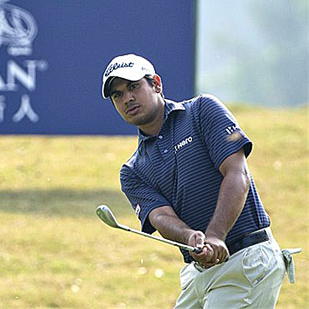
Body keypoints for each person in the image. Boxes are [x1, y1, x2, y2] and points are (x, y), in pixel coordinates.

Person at [101, 53, 289, 308]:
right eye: (117, 95)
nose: (127, 98)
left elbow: (237, 174)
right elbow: (161, 216)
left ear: (156, 84)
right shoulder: (133, 170)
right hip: (196, 274)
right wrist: (190, 237)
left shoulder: (202, 111)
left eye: (133, 86)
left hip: (245, 260)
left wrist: (215, 235)